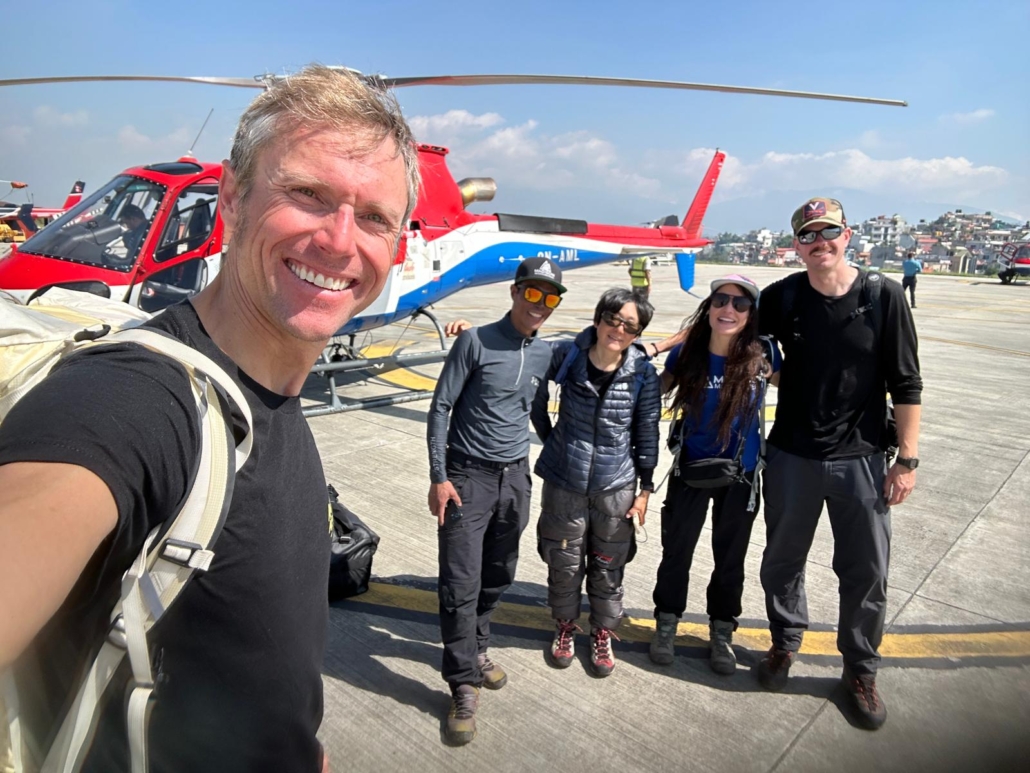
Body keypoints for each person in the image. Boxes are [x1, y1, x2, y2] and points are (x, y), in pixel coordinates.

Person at [0, 65, 419, 772]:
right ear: (230, 196)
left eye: (375, 216)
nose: (343, 241)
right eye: (307, 194)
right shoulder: (134, 400)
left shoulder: (274, 406)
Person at [754, 198, 921, 730]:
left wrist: (908, 460)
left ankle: (860, 670)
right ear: (796, 246)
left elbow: (907, 383)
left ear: (847, 236)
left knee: (867, 570)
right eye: (808, 235)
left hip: (864, 459)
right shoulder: (781, 298)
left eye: (828, 232)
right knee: (782, 562)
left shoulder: (882, 296)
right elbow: (736, 337)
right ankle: (784, 643)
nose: (819, 242)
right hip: (791, 456)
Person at [426, 257, 566, 746]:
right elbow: (441, 405)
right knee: (459, 582)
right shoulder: (475, 341)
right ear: (515, 292)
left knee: (499, 572)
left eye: (551, 297)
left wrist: (557, 448)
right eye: (533, 293)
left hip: (515, 478)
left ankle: (477, 646)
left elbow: (603, 351)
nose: (540, 305)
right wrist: (438, 477)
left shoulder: (546, 351)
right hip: (467, 476)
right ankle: (462, 681)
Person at [647, 275, 779, 676]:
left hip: (740, 476)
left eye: (740, 304)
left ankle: (722, 632)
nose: (729, 309)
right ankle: (666, 624)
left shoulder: (763, 355)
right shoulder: (688, 354)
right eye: (722, 300)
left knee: (730, 560)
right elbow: (649, 394)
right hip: (690, 469)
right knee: (677, 553)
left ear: (751, 314)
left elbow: (804, 390)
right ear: (710, 307)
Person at [530, 288, 660, 678]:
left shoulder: (642, 373)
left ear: (638, 334)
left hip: (615, 486)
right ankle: (566, 626)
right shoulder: (567, 355)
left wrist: (645, 489)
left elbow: (646, 432)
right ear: (598, 318)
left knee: (609, 565)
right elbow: (531, 378)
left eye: (630, 326)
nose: (618, 329)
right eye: (612, 319)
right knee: (564, 562)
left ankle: (603, 631)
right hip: (564, 480)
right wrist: (551, 437)